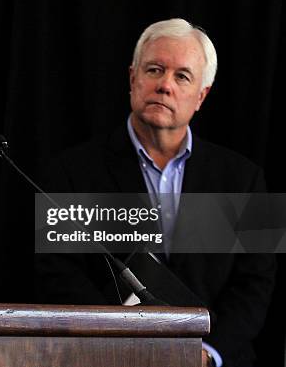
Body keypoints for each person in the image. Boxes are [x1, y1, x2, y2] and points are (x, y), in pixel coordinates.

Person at [35, 18, 276, 367]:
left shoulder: (246, 179)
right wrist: (128, 346)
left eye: (182, 76)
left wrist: (207, 354)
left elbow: (257, 285)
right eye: (155, 70)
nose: (165, 85)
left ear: (201, 96)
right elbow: (58, 277)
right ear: (133, 78)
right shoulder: (69, 173)